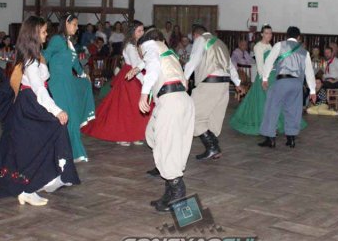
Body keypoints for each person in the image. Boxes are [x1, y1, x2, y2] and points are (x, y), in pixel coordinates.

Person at [0, 16, 80, 206]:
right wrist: (56, 110)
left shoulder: (36, 56)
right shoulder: (30, 61)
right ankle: (30, 188)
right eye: (43, 31)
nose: (46, 34)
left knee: (41, 140)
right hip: (30, 106)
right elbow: (39, 89)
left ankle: (47, 179)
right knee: (40, 140)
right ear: (34, 34)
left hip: (33, 103)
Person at [130, 28, 194, 212]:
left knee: (167, 147)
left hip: (170, 102)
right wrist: (138, 68)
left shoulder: (149, 47)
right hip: (182, 100)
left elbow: (153, 66)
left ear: (142, 45)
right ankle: (170, 188)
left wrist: (144, 94)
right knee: (153, 136)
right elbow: (149, 62)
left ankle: (177, 195)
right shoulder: (167, 51)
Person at [83, 21, 151, 146]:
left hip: (134, 76)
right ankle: (122, 135)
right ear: (132, 32)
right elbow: (135, 67)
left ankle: (134, 134)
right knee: (126, 108)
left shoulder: (136, 45)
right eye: (139, 31)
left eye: (142, 30)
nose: (142, 33)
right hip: (131, 78)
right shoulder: (130, 47)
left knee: (134, 108)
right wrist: (144, 81)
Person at [230, 25, 307, 135]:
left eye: (270, 33)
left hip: (274, 76)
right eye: (266, 33)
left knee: (275, 103)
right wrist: (264, 79)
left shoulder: (271, 46)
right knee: (266, 104)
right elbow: (260, 65)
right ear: (262, 34)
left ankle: (274, 126)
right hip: (265, 78)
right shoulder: (258, 46)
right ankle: (269, 127)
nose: (269, 35)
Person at [184, 25, 243, 160]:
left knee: (193, 116)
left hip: (210, 83)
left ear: (196, 35)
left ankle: (212, 147)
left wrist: (185, 78)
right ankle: (213, 147)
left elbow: (194, 59)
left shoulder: (201, 40)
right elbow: (230, 66)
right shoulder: (221, 43)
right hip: (224, 84)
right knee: (213, 118)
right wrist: (237, 83)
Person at [43, 14, 96, 163]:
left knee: (72, 117)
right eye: (74, 24)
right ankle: (60, 152)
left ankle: (74, 152)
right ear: (66, 23)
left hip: (68, 83)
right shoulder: (57, 40)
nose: (77, 27)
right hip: (58, 85)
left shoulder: (68, 42)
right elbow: (46, 55)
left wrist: (83, 75)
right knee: (63, 117)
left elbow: (75, 63)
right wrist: (37, 71)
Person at [258, 27, 316, 149]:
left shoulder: (280, 45)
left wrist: (265, 78)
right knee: (293, 110)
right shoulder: (304, 52)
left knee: (272, 108)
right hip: (297, 84)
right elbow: (309, 72)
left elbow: (269, 61)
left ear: (286, 35)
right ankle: (291, 139)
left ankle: (270, 139)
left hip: (282, 81)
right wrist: (312, 90)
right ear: (298, 37)